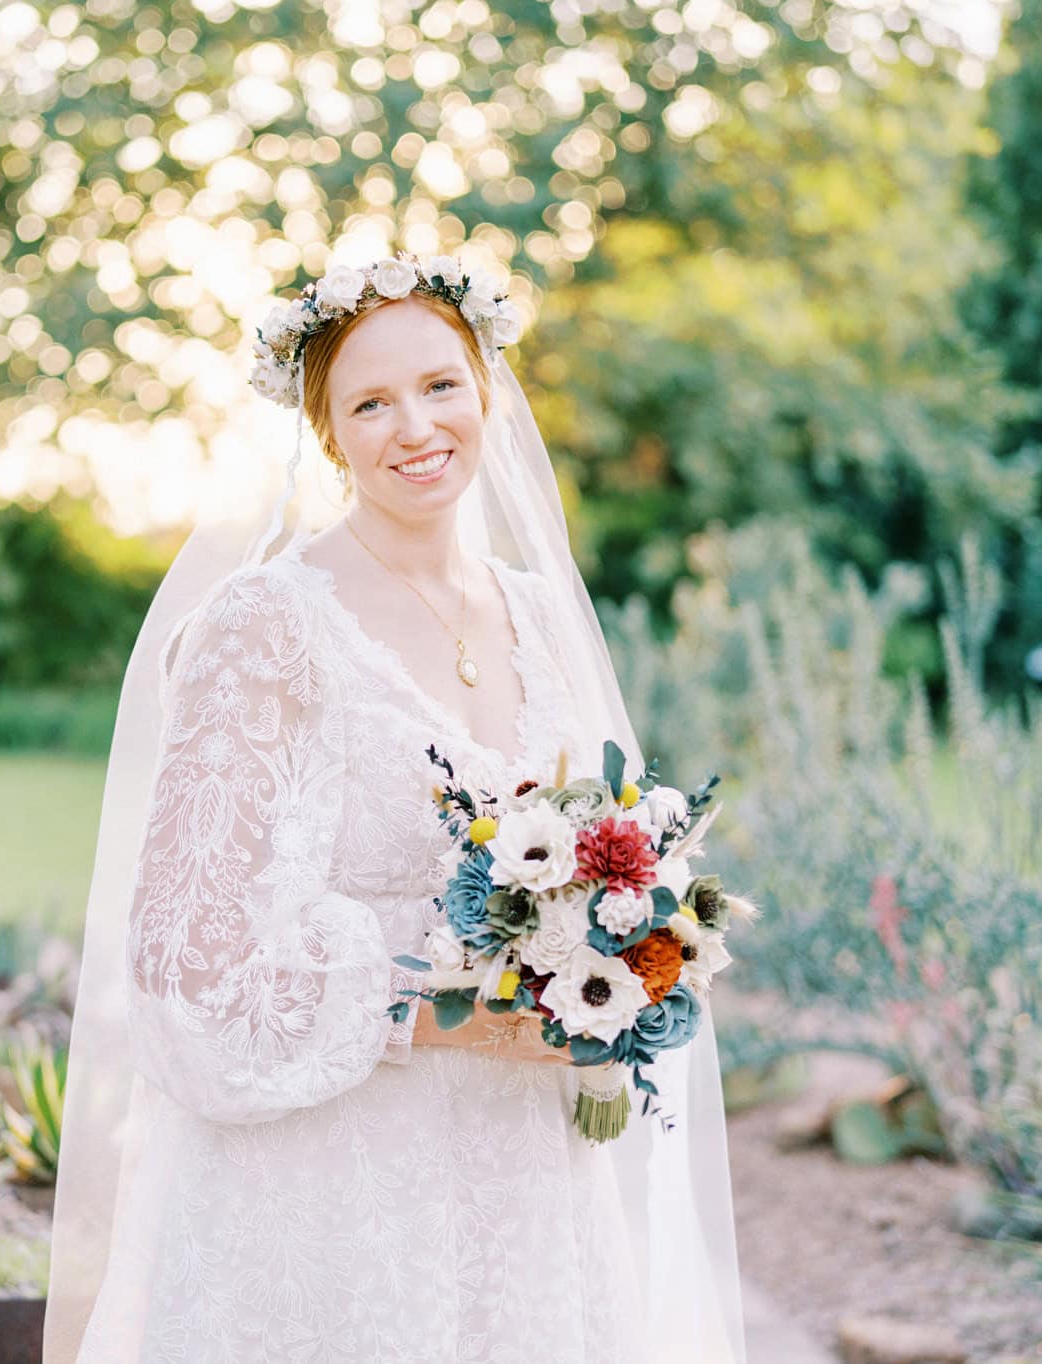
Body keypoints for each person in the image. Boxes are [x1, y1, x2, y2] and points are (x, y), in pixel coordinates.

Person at [44, 253, 746, 1363]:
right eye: (369, 402)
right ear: (326, 432)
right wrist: (462, 1012)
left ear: (485, 391)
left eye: (439, 385)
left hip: (525, 1189)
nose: (414, 426)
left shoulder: (541, 616)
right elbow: (186, 971)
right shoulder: (261, 627)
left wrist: (622, 953)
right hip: (335, 1198)